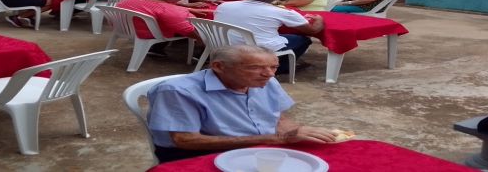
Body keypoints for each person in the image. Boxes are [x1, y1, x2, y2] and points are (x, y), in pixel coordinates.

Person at [146, 45, 342, 163]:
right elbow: (185, 141)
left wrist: (299, 132)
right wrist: (278, 139)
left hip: (261, 144)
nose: (269, 74)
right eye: (255, 67)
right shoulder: (177, 90)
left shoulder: (266, 80)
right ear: (218, 66)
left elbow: (277, 119)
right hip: (198, 153)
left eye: (273, 67)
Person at [214, 0, 324, 74]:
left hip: (221, 43)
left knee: (281, 35)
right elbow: (312, 31)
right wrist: (320, 20)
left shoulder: (224, 5)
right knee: (303, 39)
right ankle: (282, 67)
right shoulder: (282, 12)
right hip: (256, 47)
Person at [116, 0, 203, 56]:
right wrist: (199, 39)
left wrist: (188, 10)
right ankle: (202, 55)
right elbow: (185, 29)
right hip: (146, 33)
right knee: (200, 29)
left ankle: (156, 48)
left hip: (123, 27)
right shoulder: (166, 9)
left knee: (164, 21)